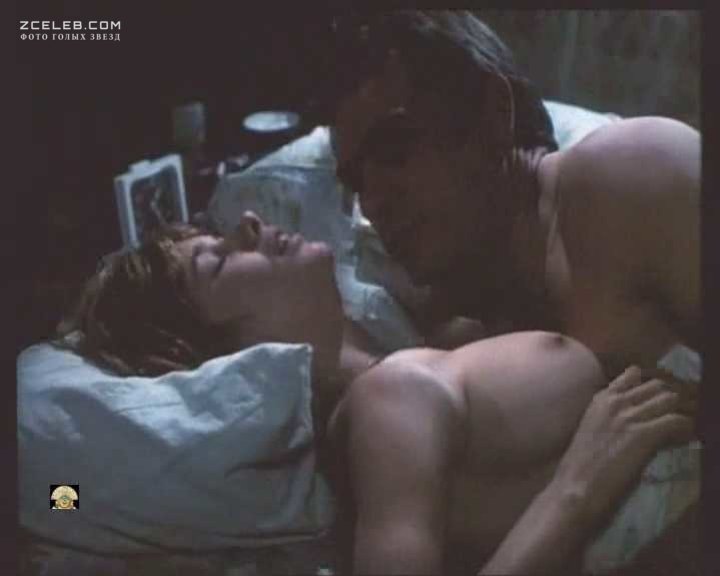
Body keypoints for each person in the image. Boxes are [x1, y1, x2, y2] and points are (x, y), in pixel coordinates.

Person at [57, 214, 697, 574]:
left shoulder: (409, 359)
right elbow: (69, 495)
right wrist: (579, 488)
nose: (247, 223)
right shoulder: (385, 405)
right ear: (222, 357)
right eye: (219, 261)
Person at [328, 11, 700, 379]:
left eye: (395, 148)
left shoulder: (632, 178)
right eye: (356, 181)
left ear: (494, 114)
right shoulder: (465, 337)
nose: (373, 202)